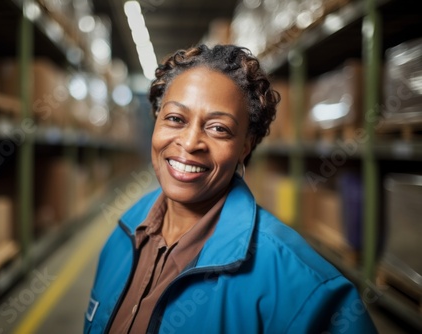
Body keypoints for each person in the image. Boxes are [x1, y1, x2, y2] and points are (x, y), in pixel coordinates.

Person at [83, 44, 377, 333]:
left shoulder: (303, 288)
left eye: (218, 128)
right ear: (156, 121)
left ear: (245, 147)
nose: (189, 143)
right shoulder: (125, 232)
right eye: (175, 119)